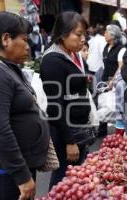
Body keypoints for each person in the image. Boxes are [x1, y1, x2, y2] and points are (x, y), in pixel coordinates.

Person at [0, 11, 49, 200]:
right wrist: (22, 177)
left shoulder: (5, 67)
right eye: (24, 39)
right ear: (6, 39)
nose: (28, 46)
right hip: (7, 173)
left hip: (19, 166)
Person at [40, 11, 91, 189]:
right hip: (66, 132)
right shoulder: (52, 61)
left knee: (76, 178)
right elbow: (55, 106)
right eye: (78, 34)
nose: (83, 39)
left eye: (84, 34)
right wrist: (70, 141)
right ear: (63, 34)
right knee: (63, 180)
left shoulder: (72, 54)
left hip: (77, 126)